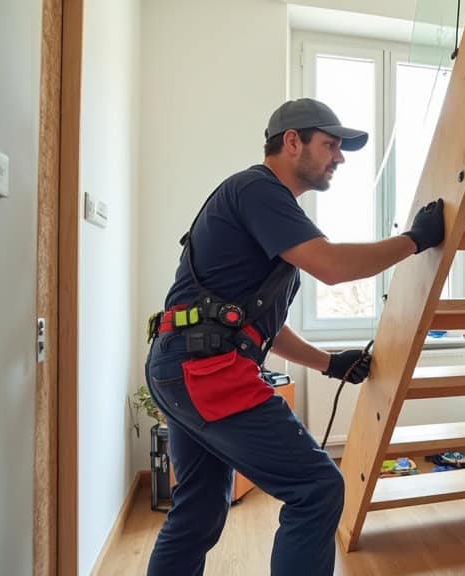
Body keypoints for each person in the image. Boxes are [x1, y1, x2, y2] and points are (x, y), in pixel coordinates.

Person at [143, 97, 445, 575]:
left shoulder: (262, 206)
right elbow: (332, 265)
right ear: (291, 142)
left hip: (182, 362)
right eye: (330, 145)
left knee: (198, 509)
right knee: (317, 487)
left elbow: (250, 324)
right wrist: (414, 240)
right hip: (203, 367)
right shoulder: (258, 189)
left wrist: (329, 362)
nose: (339, 157)